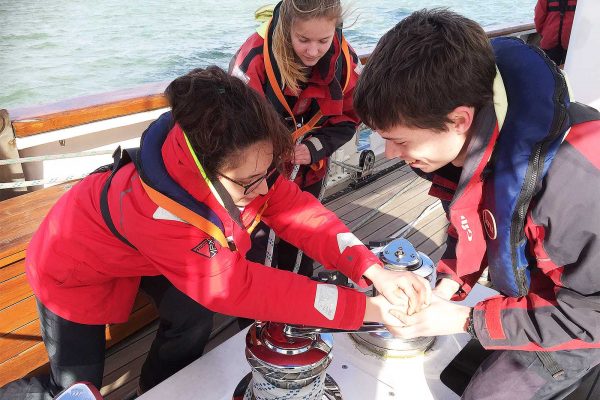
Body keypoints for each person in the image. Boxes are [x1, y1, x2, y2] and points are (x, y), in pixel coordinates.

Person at [0, 66, 430, 400]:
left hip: (140, 254)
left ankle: (164, 387)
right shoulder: (159, 213)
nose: (265, 190)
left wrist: (373, 270)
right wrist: (369, 310)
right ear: (204, 175)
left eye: (270, 173)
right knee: (80, 383)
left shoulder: (243, 161)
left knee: (192, 315)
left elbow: (299, 211)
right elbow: (238, 287)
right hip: (72, 266)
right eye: (249, 184)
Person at [353, 8, 600, 400]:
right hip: (538, 294)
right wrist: (449, 284)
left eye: (399, 140)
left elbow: (590, 316)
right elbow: (476, 218)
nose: (388, 154)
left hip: (580, 320)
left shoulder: (578, 187)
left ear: (459, 120)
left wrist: (466, 318)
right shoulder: (468, 146)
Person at [229, 0, 361, 277]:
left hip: (309, 166)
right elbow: (234, 127)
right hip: (259, 172)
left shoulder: (344, 60)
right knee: (258, 241)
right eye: (303, 40)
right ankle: (255, 314)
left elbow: (349, 114)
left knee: (303, 237)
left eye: (323, 41)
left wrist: (316, 147)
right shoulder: (254, 58)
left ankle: (299, 300)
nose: (313, 51)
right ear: (288, 28)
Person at [534, 0, 577, 65]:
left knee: (549, 70)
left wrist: (543, 33)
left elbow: (538, 19)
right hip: (571, 41)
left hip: (550, 40)